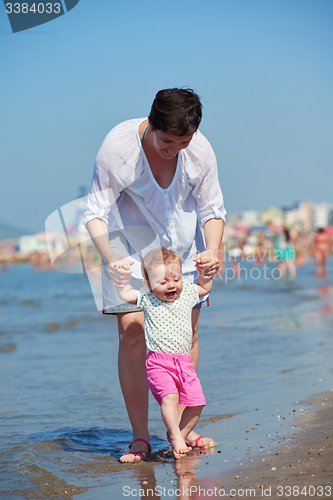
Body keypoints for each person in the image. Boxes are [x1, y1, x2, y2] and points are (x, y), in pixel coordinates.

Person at [84, 88, 226, 463]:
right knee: (133, 334)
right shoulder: (118, 149)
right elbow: (95, 211)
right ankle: (140, 437)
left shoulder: (199, 150)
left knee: (187, 332)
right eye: (167, 141)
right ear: (151, 123)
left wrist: (212, 250)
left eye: (184, 141)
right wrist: (110, 256)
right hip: (127, 249)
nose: (175, 150)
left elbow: (213, 208)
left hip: (183, 250)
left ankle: (180, 430)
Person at [116, 248, 213, 459]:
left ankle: (178, 433)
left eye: (176, 279)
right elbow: (125, 295)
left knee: (196, 403)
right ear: (148, 285)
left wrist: (205, 275)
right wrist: (122, 280)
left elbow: (204, 288)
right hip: (159, 364)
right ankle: (178, 439)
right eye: (162, 282)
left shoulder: (187, 292)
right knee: (170, 398)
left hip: (184, 364)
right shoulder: (147, 299)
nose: (171, 285)